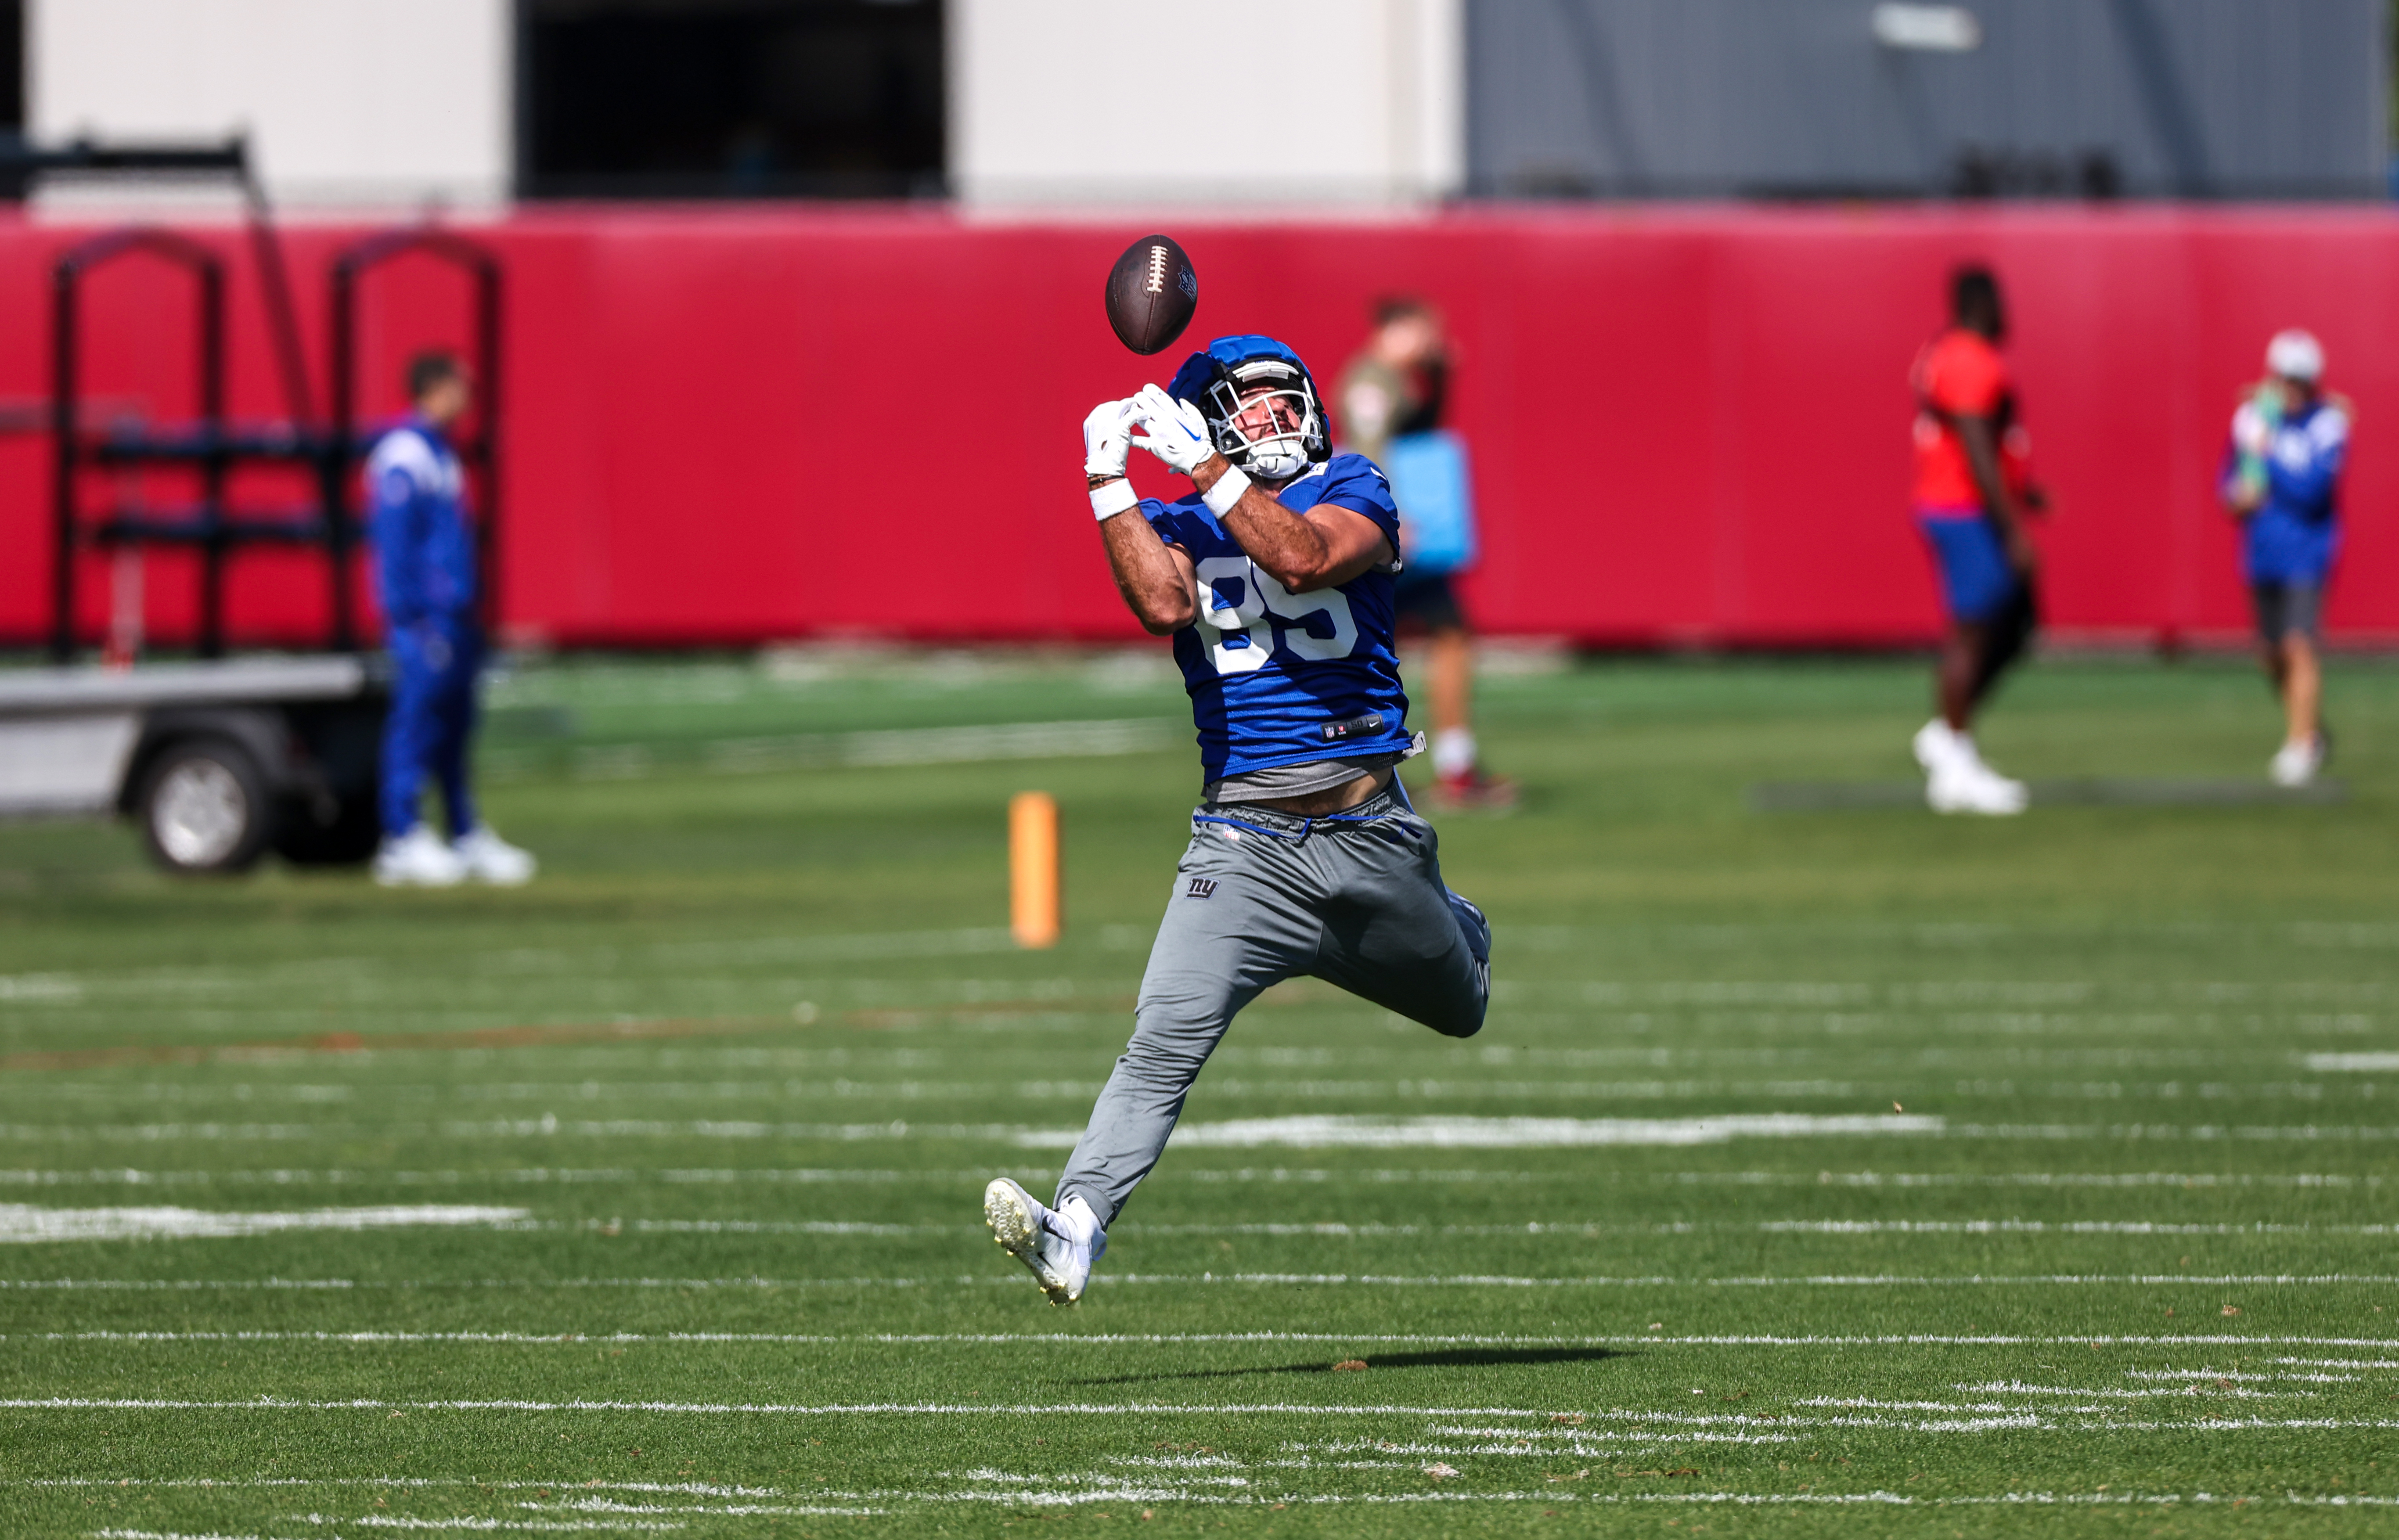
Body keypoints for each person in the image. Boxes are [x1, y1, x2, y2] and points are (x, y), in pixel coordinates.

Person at [981, 335, 1493, 1305]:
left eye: (1279, 398)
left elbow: (1303, 559)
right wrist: (1106, 481)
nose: (1272, 417)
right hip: (1242, 845)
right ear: (1208, 417)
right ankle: (1074, 1228)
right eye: (1247, 405)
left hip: (1368, 832)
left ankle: (1457, 917)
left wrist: (1209, 470)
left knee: (1461, 1003)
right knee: (1160, 1042)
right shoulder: (1183, 512)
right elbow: (1159, 602)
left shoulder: (1355, 483)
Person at [1336, 297, 1516, 809]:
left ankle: (1455, 767)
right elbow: (1368, 447)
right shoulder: (1372, 378)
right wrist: (1384, 517)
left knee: (1448, 631)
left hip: (1389, 533)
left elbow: (1420, 431)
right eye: (1425, 332)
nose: (1432, 341)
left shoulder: (1396, 379)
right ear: (1398, 329)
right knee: (1368, 653)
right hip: (1381, 535)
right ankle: (1358, 772)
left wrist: (1440, 378)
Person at [367, 350, 536, 888]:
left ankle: (463, 832)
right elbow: (395, 548)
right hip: (427, 620)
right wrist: (412, 618)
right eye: (461, 385)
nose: (468, 396)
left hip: (457, 616)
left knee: (457, 729)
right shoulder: (405, 454)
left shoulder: (442, 453)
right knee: (416, 725)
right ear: (434, 388)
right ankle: (402, 836)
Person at [1906, 265, 2049, 815]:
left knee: (2009, 624)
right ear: (1982, 304)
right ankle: (1953, 754)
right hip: (1963, 509)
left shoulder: (1948, 354)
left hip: (1959, 505)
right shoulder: (1968, 360)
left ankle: (1949, 737)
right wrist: (2011, 526)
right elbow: (1975, 446)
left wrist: (2024, 491)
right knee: (1973, 633)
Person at [2219, 329, 2350, 787]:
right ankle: (2312, 730)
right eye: (2284, 378)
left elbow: (2312, 490)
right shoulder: (2250, 419)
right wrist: (2238, 495)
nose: (2291, 388)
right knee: (2269, 654)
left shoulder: (2327, 424)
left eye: (2300, 379)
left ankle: (2299, 744)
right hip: (2261, 553)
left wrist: (2268, 457)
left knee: (2298, 645)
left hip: (2307, 552)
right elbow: (2230, 480)